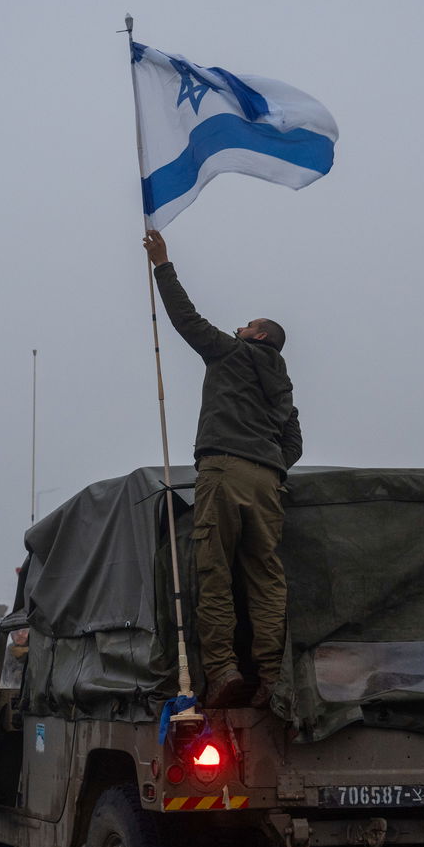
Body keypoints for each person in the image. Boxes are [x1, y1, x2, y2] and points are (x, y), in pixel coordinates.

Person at [143, 229, 303, 709]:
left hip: (225, 470)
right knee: (266, 580)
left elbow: (186, 319)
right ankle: (273, 678)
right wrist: (271, 465)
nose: (238, 326)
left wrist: (162, 264)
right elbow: (293, 442)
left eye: (246, 323)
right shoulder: (284, 386)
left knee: (213, 572)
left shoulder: (231, 352)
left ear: (258, 336)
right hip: (267, 483)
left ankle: (224, 671)